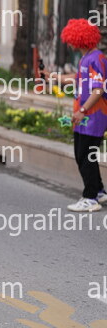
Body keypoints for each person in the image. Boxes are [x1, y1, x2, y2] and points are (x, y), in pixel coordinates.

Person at [58, 19, 107, 212]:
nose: (69, 43)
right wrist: (52, 77)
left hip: (93, 117)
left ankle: (90, 198)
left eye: (71, 39)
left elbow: (98, 89)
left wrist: (82, 111)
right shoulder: (86, 58)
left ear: (79, 39)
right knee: (83, 155)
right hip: (85, 117)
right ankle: (99, 191)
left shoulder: (96, 59)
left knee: (85, 156)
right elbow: (78, 78)